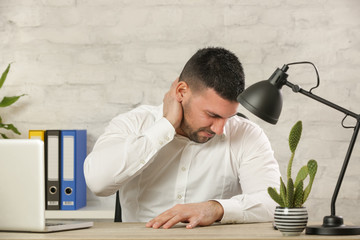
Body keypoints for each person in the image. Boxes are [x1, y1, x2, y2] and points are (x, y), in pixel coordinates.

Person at [84, 47, 281, 229]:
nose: (220, 129)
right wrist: (166, 126)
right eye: (212, 115)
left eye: (227, 117)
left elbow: (275, 203)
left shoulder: (247, 135)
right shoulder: (134, 123)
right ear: (181, 92)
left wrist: (216, 208)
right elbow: (97, 182)